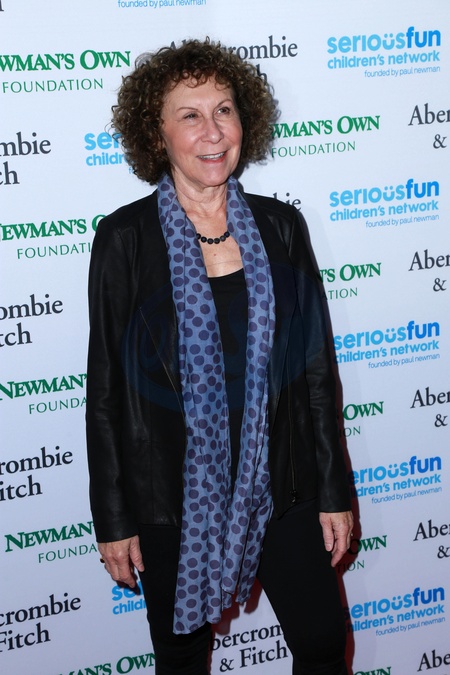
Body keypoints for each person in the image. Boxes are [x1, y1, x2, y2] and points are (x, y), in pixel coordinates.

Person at [86, 38, 353, 675]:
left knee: (322, 644)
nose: (213, 132)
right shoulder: (125, 238)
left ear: (244, 120)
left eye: (224, 110)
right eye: (190, 115)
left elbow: (316, 372)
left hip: (281, 484)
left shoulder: (281, 227)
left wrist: (334, 490)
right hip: (172, 498)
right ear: (157, 134)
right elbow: (106, 390)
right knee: (182, 659)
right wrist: (114, 519)